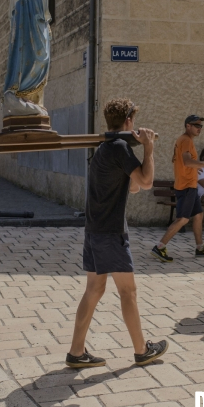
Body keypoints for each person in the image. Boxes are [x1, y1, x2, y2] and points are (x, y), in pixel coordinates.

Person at [66, 99, 167, 368]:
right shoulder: (119, 147)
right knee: (128, 291)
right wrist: (149, 148)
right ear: (129, 121)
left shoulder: (105, 148)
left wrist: (138, 151)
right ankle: (142, 350)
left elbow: (132, 187)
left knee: (94, 289)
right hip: (110, 232)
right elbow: (145, 182)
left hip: (95, 229)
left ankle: (76, 352)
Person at [151, 115, 204, 263]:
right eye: (196, 125)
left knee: (198, 215)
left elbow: (187, 163)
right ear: (187, 126)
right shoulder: (185, 140)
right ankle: (159, 247)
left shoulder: (186, 140)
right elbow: (187, 161)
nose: (199, 128)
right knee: (182, 219)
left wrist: (195, 168)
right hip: (186, 187)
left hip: (190, 186)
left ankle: (200, 248)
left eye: (201, 126)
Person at [3, 0, 52, 117]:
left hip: (30, 26)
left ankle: (26, 95)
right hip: (30, 28)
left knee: (37, 58)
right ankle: (23, 92)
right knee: (37, 57)